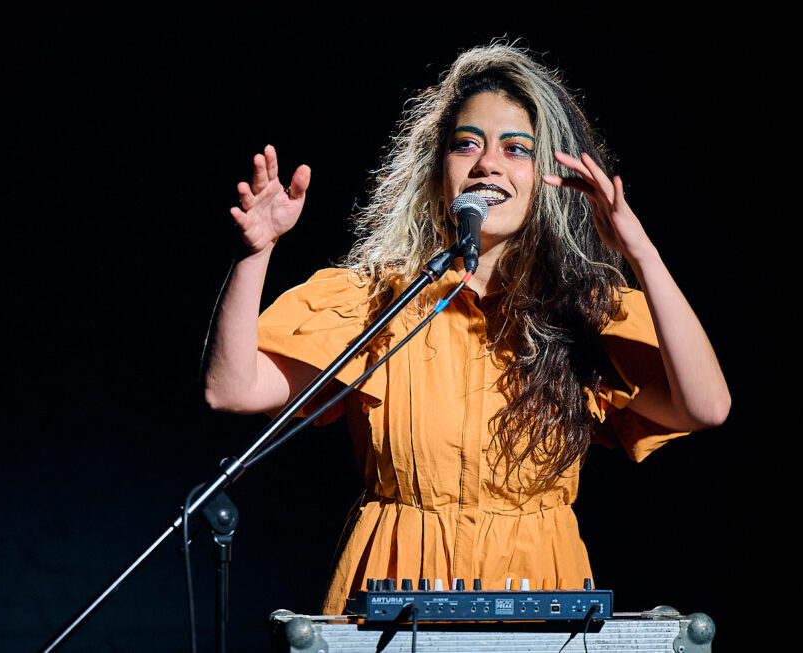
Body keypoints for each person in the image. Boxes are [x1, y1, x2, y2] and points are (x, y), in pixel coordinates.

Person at [202, 43, 730, 615]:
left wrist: (641, 252)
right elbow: (231, 390)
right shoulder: (377, 300)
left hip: (541, 597)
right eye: (467, 144)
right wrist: (254, 254)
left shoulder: (581, 312)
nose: (487, 164)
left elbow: (705, 406)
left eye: (516, 148)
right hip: (394, 599)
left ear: (549, 178)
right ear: (438, 171)